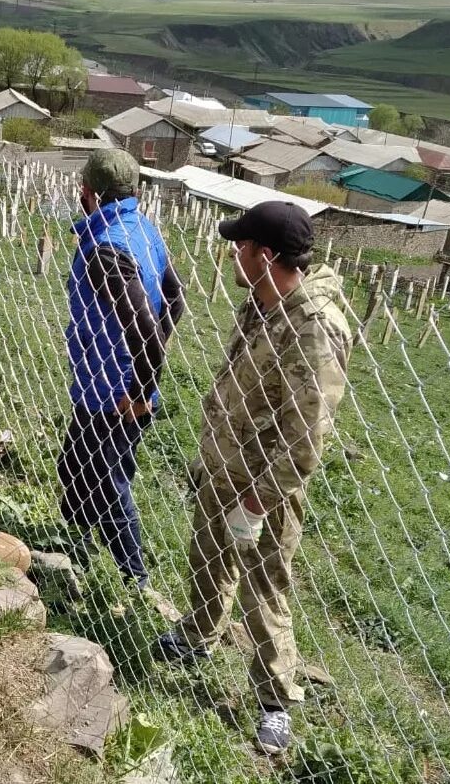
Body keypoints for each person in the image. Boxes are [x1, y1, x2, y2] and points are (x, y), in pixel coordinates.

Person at [158, 201, 353, 756]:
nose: (232, 255)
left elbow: (306, 436)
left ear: (265, 256)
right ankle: (199, 634)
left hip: (264, 488)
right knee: (206, 558)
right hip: (224, 463)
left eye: (240, 246)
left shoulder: (313, 328)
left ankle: (275, 701)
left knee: (263, 590)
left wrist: (259, 500)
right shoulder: (261, 304)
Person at [57, 148, 184, 594]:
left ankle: (136, 584)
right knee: (76, 466)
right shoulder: (142, 229)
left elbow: (146, 330)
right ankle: (74, 548)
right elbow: (175, 298)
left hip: (113, 394)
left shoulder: (106, 250)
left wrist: (140, 388)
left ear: (88, 192)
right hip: (104, 382)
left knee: (108, 483)